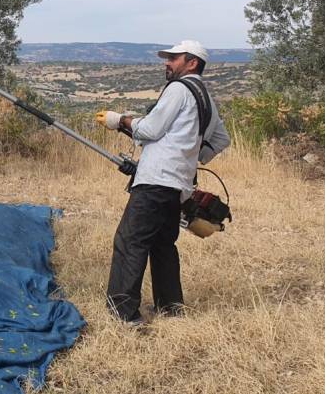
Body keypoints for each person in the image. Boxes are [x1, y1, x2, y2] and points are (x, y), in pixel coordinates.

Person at [94, 40, 231, 324]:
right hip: (180, 185)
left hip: (156, 181)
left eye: (173, 58)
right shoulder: (204, 97)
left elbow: (151, 128)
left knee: (130, 241)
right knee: (162, 244)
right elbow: (221, 139)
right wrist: (190, 156)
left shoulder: (179, 89)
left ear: (192, 63)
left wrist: (119, 120)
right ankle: (170, 308)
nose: (167, 63)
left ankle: (124, 314)